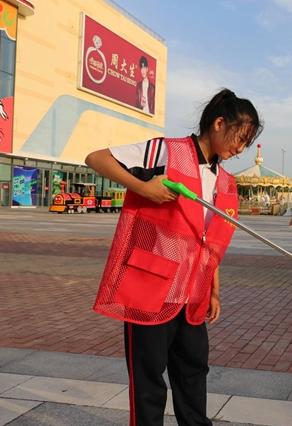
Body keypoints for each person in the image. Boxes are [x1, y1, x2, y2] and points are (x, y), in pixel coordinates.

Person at [86, 88, 262, 426]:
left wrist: (213, 288)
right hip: (150, 287)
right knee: (148, 378)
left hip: (192, 294)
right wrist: (144, 187)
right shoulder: (165, 150)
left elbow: (210, 240)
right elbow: (96, 159)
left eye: (246, 144)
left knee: (193, 372)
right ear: (218, 123)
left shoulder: (224, 181)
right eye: (239, 139)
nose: (239, 149)